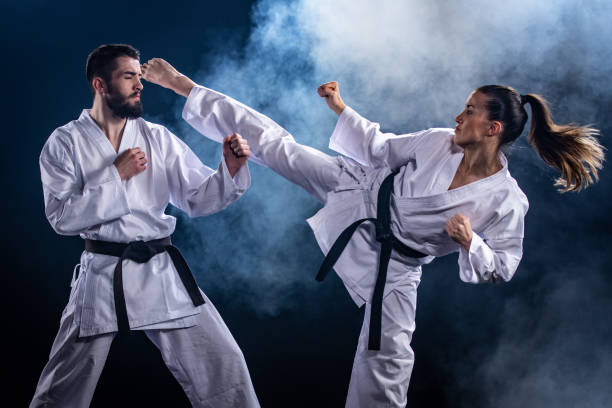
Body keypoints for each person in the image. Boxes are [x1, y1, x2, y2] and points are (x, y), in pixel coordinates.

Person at [142, 58, 604, 408]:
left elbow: (501, 267)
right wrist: (340, 108)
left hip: (399, 264)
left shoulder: (506, 201)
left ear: (492, 128)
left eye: (469, 112)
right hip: (358, 190)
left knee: (388, 359)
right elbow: (380, 149)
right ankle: (185, 86)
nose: (458, 116)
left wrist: (471, 242)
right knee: (275, 144)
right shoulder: (439, 141)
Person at [30, 45, 260, 408]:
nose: (140, 84)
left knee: (224, 364)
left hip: (159, 268)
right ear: (100, 85)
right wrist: (115, 176)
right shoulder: (65, 142)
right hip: (102, 272)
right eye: (128, 77)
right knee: (64, 385)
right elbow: (62, 218)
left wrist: (228, 170)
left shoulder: (157, 138)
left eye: (140, 76)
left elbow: (197, 198)